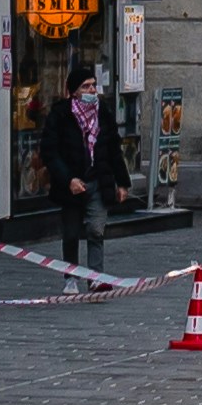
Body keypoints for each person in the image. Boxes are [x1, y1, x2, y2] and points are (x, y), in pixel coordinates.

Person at [39, 57, 116, 272]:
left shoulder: (103, 113)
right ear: (74, 91)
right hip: (71, 183)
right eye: (86, 86)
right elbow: (50, 151)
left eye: (93, 85)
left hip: (98, 180)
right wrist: (68, 179)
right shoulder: (61, 114)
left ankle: (97, 279)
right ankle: (71, 277)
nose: (92, 90)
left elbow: (113, 149)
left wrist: (122, 183)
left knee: (96, 231)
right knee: (71, 233)